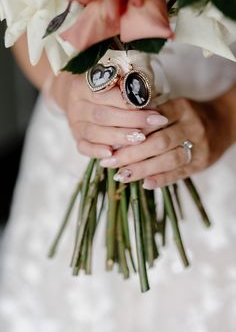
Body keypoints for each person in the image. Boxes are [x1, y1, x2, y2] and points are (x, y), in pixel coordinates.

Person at [0, 32, 236, 332]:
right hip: (75, 129)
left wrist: (225, 116)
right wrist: (62, 88)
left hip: (217, 123)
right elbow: (22, 14)